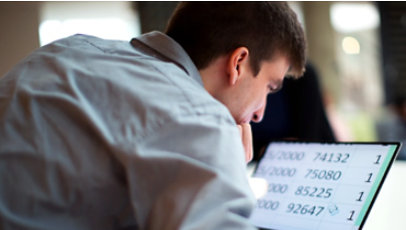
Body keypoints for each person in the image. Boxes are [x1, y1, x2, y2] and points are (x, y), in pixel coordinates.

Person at [0, 2, 305, 229]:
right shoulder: (195, 112)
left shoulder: (65, 51)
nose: (260, 114)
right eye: (270, 86)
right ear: (237, 63)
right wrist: (227, 168)